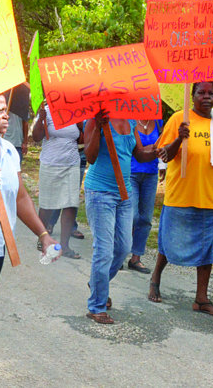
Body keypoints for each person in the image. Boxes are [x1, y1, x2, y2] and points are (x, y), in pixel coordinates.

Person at [0, 94, 59, 386]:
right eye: (0, 111)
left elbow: (19, 197)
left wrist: (43, 234)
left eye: (6, 110)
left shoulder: (8, 151)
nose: (7, 116)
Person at [148, 81, 213, 318]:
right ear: (192, 95)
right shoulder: (179, 118)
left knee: (208, 250)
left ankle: (201, 299)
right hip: (181, 195)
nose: (207, 97)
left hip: (210, 197)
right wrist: (179, 138)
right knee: (168, 243)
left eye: (211, 93)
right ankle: (155, 279)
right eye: (201, 92)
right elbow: (163, 155)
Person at [83, 110, 158, 324]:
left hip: (125, 193)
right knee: (104, 250)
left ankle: (98, 282)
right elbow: (90, 157)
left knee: (124, 247)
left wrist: (157, 150)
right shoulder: (94, 120)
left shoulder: (131, 119)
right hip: (100, 193)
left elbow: (139, 155)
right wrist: (98, 127)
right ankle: (97, 306)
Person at [32, 103, 84, 258]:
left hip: (72, 164)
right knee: (47, 205)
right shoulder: (46, 111)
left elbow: (82, 140)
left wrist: (81, 127)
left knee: (71, 204)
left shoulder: (77, 112)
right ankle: (42, 238)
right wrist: (41, 119)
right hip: (50, 163)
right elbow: (36, 137)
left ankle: (65, 246)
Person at [125, 118, 163, 274]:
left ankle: (136, 257)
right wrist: (151, 149)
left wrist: (160, 160)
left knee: (146, 218)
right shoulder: (130, 121)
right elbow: (133, 148)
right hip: (131, 172)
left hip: (151, 174)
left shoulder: (158, 122)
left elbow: (162, 146)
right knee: (131, 216)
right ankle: (119, 253)